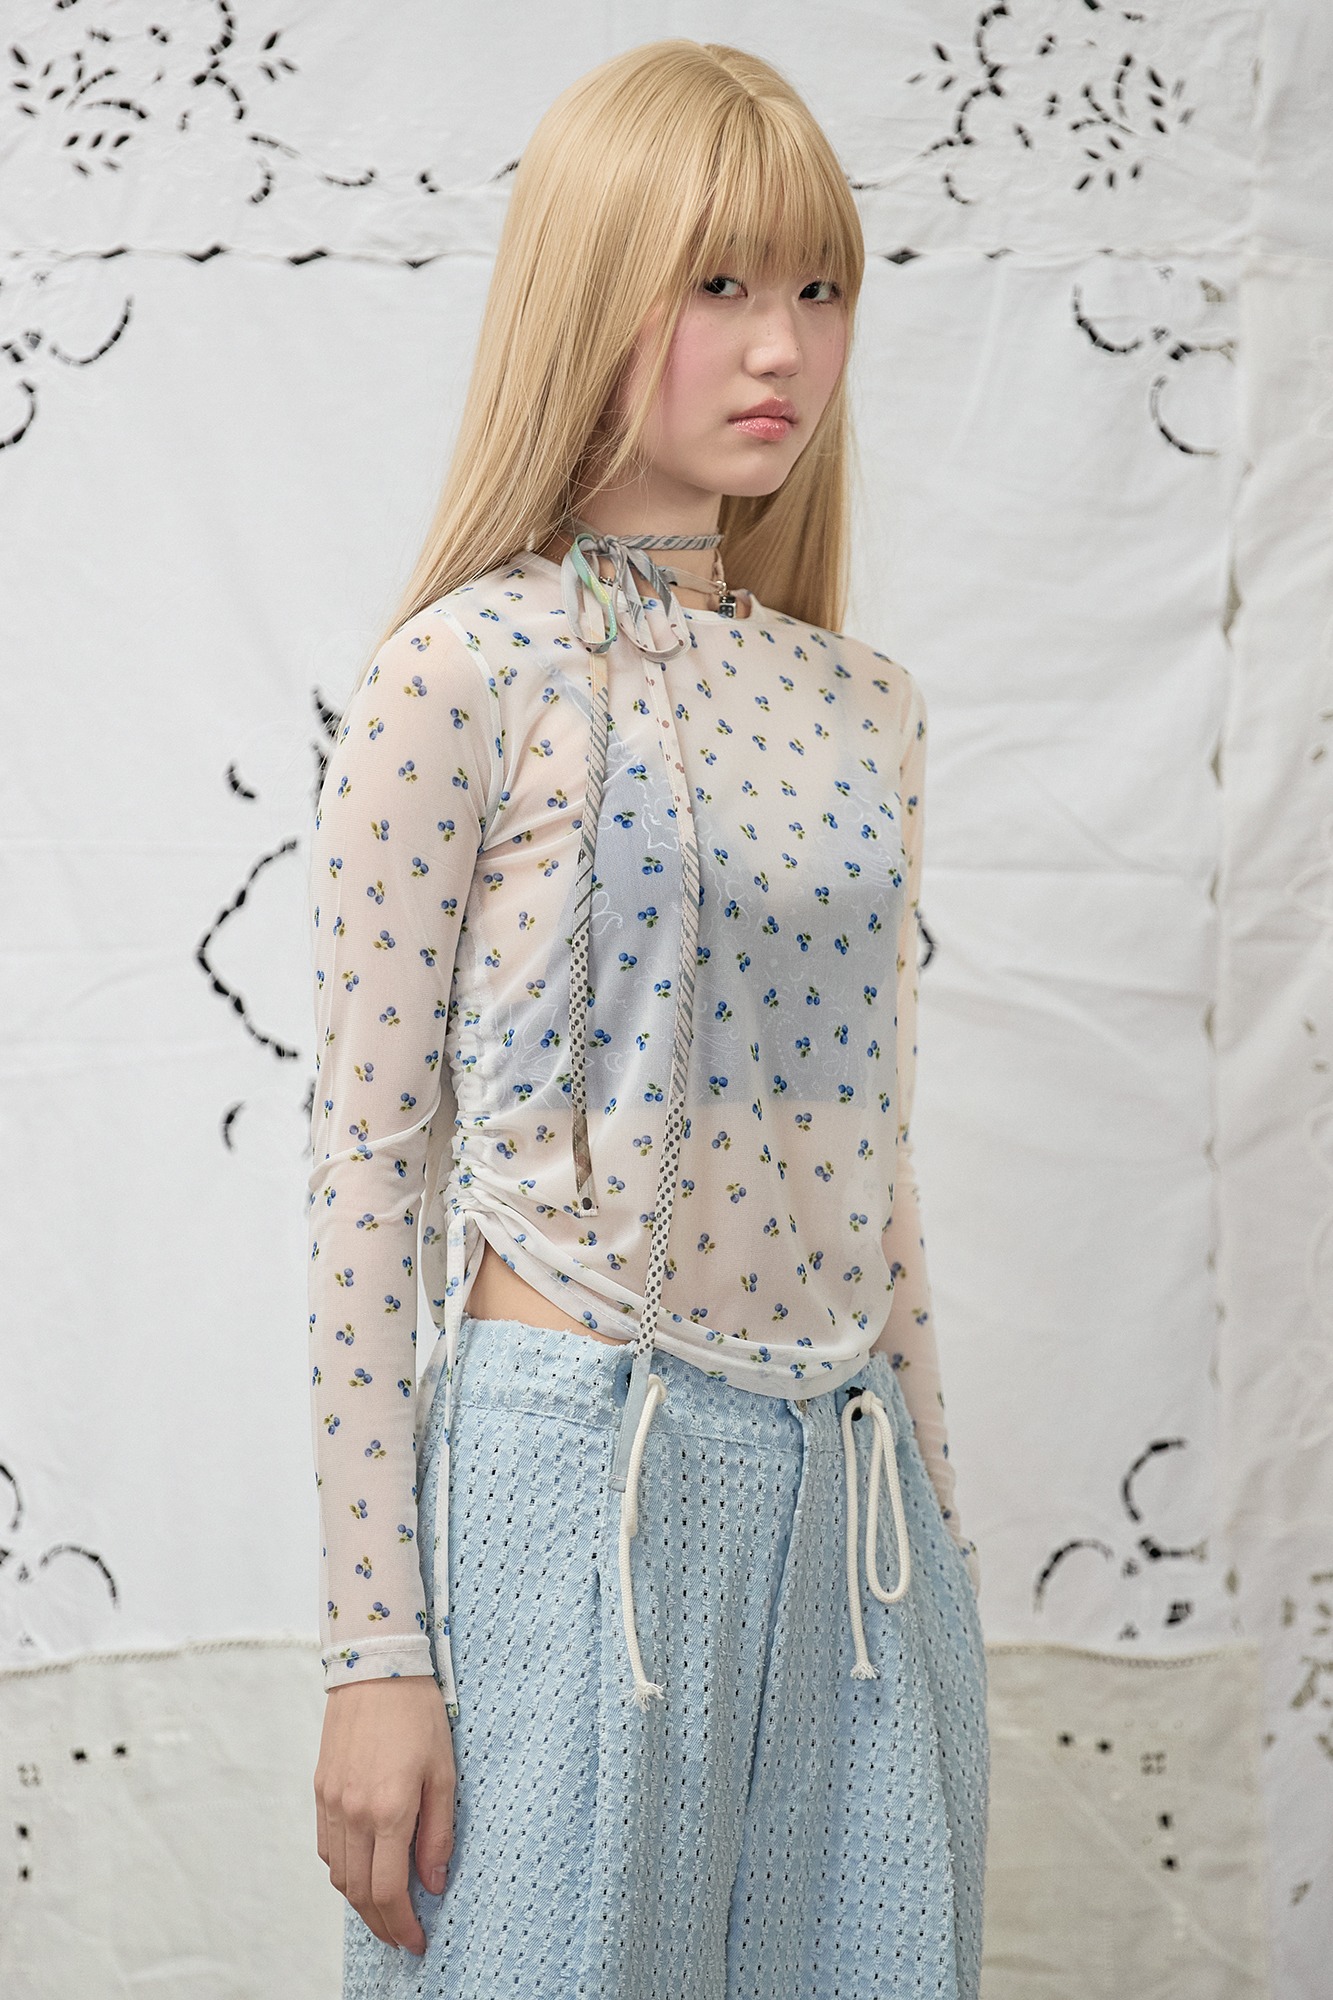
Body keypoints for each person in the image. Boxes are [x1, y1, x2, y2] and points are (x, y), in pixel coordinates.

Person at [306, 36, 988, 2000]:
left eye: (819, 287)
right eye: (718, 285)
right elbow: (365, 1170)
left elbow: (873, 1159)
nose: (782, 347)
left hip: (848, 1501)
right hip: (568, 1483)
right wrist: (374, 1649)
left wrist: (938, 1554)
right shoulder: (459, 673)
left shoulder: (867, 706)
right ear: (594, 291)